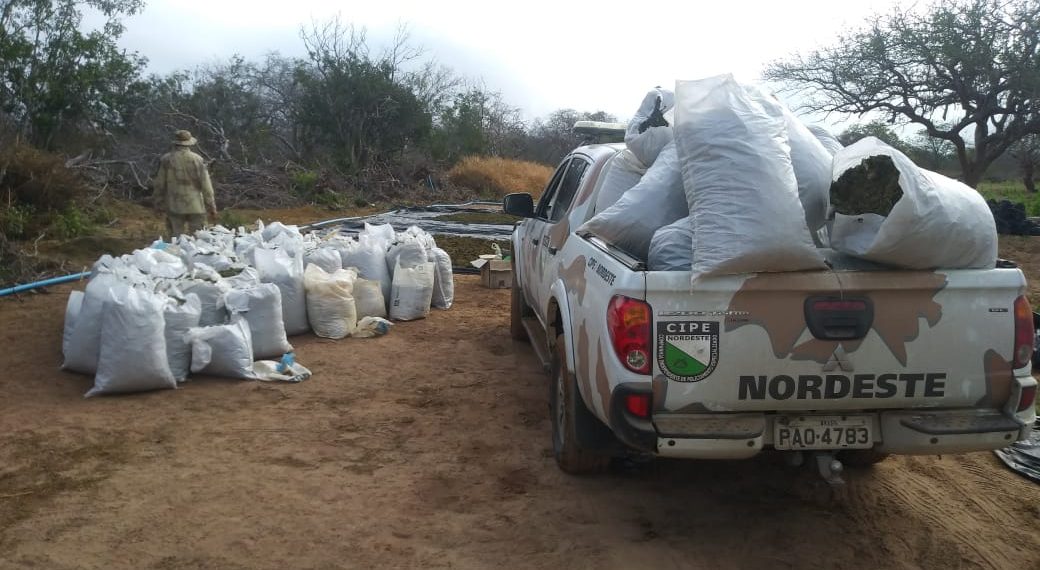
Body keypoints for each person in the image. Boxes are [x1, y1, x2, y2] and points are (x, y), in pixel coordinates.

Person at [154, 130, 218, 237]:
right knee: (199, 239)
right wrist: (212, 206)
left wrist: (158, 204)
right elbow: (206, 185)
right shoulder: (197, 159)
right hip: (195, 205)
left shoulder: (166, 160)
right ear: (190, 143)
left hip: (174, 205)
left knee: (175, 240)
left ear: (175, 142)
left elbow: (159, 185)